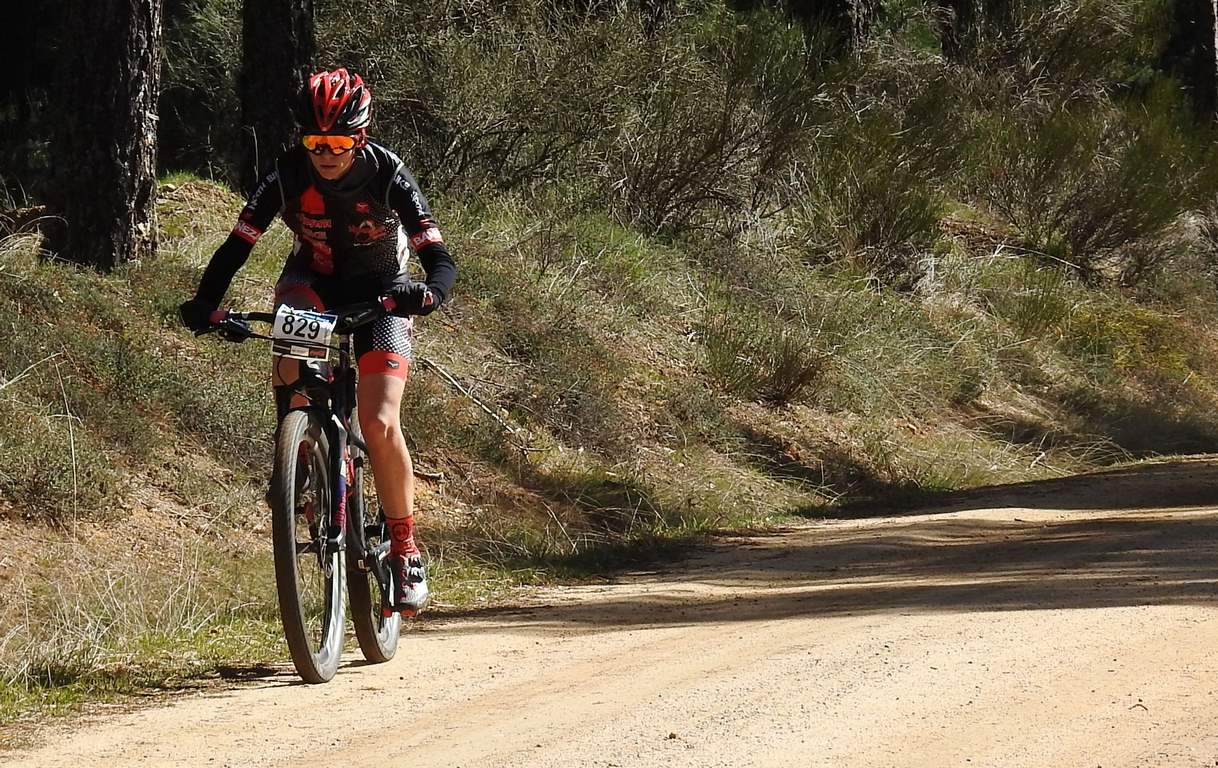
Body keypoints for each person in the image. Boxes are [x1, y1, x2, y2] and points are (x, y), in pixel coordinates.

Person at [179, 67, 456, 616]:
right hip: (314, 281)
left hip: (383, 291)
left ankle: (404, 549)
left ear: (361, 136)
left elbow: (438, 258)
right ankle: (298, 454)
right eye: (313, 142)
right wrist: (206, 301)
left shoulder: (388, 171)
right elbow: (238, 245)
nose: (325, 153)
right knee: (288, 344)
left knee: (378, 422)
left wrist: (427, 294)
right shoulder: (286, 172)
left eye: (337, 143)